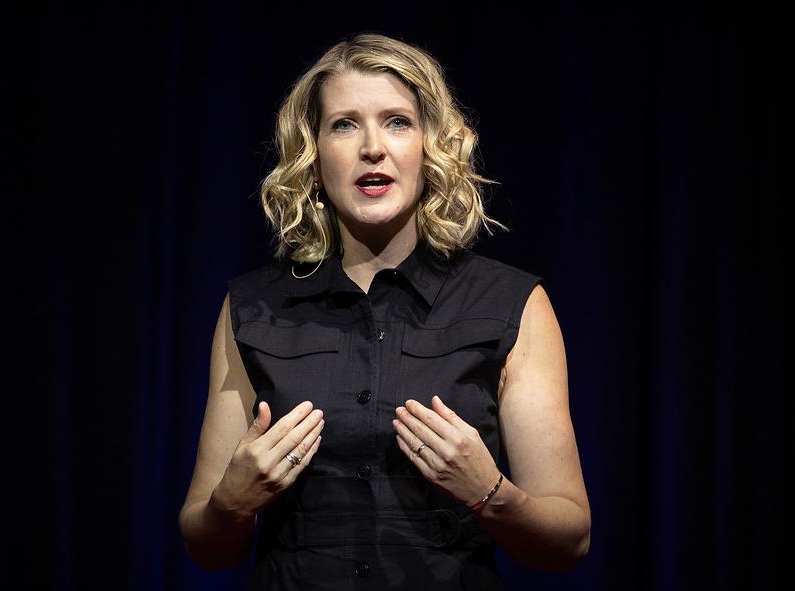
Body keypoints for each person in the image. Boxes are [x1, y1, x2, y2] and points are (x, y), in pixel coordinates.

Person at [178, 32, 590, 590]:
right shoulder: (252, 309)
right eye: (344, 125)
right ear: (313, 157)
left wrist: (489, 493)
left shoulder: (511, 304)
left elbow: (569, 542)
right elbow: (206, 547)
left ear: (431, 146)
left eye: (397, 122)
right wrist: (231, 503)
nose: (372, 147)